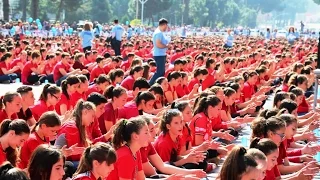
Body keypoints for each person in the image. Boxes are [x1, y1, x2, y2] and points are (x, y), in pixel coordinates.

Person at [149, 18, 169, 85]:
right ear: (164, 25)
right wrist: (166, 46)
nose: (166, 28)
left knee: (161, 72)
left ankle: (156, 84)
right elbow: (158, 44)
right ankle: (150, 84)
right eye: (166, 26)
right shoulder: (159, 33)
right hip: (159, 54)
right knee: (160, 72)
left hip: (160, 54)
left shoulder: (158, 32)